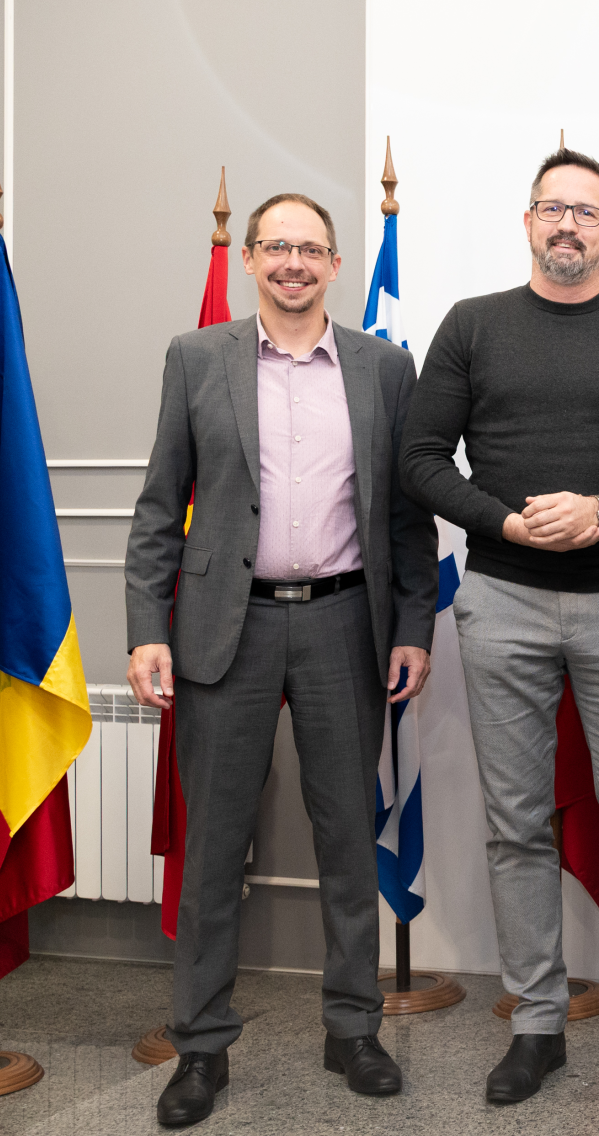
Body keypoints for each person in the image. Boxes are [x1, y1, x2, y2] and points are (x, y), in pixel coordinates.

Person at [398, 148, 599, 1104]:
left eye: (587, 210)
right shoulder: (472, 325)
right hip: (502, 598)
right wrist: (506, 522)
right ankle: (537, 1024)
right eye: (552, 207)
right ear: (528, 221)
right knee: (516, 822)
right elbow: (419, 457)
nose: (568, 223)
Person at [126, 192, 438, 1128]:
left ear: (336, 263)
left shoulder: (385, 367)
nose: (293, 262)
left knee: (347, 838)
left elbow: (407, 515)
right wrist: (146, 628)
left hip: (347, 623)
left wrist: (413, 625)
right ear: (252, 258)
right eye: (277, 246)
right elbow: (159, 504)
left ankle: (354, 1030)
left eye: (310, 248)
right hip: (227, 627)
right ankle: (200, 1045)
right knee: (214, 847)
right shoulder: (196, 357)